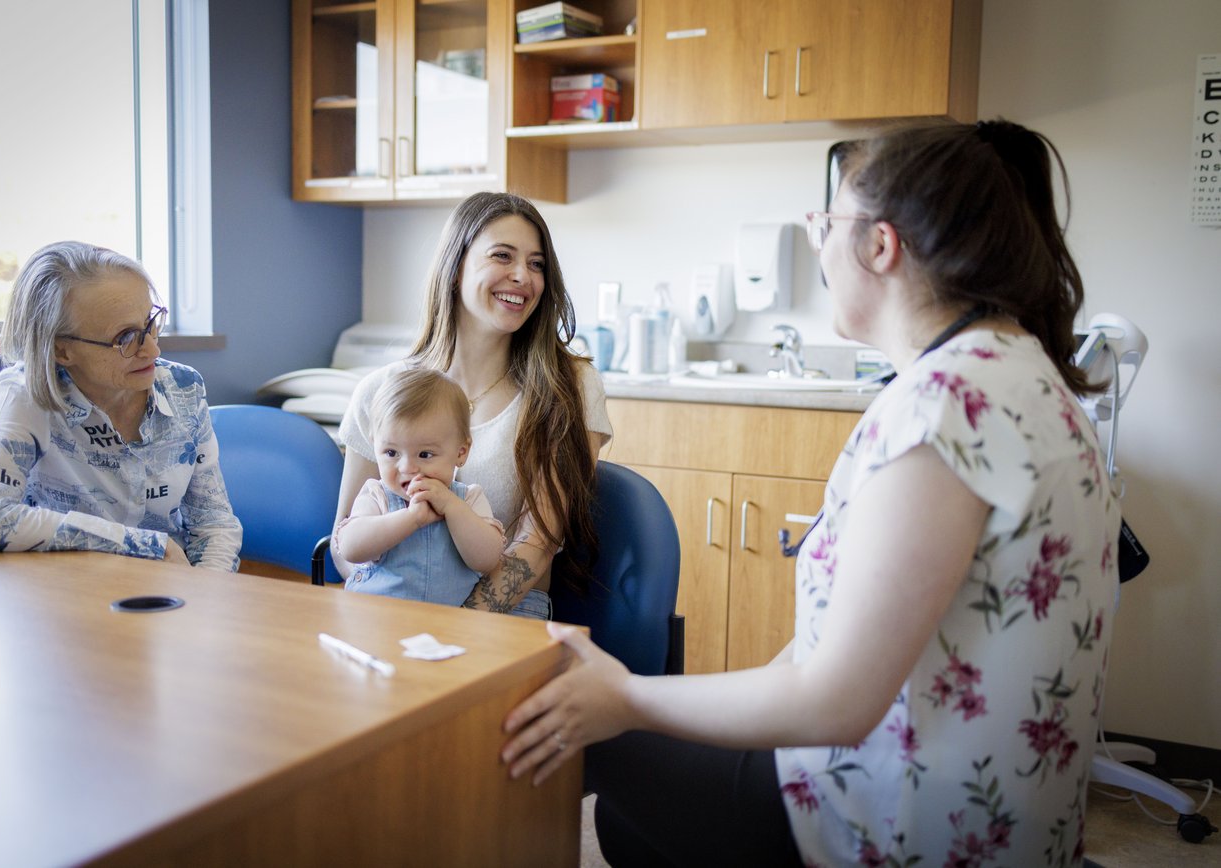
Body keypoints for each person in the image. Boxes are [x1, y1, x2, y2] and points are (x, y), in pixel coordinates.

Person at [500, 119, 1123, 867]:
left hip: (906, 823)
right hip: (1001, 809)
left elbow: (837, 701)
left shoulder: (945, 406)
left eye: (824, 223)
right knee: (638, 806)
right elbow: (824, 660)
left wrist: (626, 695)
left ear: (879, 244)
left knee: (598, 751)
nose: (820, 246)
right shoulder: (1018, 370)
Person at [334, 192, 612, 619]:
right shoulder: (379, 391)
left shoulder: (569, 386)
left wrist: (452, 626)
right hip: (388, 610)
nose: (523, 276)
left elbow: (536, 547)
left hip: (502, 616)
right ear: (456, 267)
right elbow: (343, 544)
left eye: (537, 264)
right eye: (503, 256)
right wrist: (391, 608)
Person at [0, 240, 242, 571]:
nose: (152, 349)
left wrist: (206, 596)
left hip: (168, 594)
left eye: (151, 321)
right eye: (125, 337)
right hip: (60, 596)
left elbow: (213, 524)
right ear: (61, 351)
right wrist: (147, 546)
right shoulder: (26, 393)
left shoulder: (183, 387)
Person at [335, 368, 505, 604]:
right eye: (391, 452)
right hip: (376, 616)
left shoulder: (468, 499)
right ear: (375, 446)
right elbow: (350, 548)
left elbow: (487, 560)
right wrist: (411, 518)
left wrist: (451, 507)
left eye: (424, 454)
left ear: (461, 452)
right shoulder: (377, 495)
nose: (406, 467)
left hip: (447, 626)